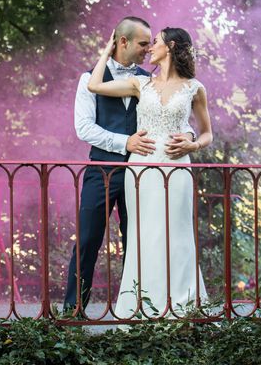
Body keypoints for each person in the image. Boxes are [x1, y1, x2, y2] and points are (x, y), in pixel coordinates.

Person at [63, 17, 197, 313]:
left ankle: (135, 307)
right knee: (87, 239)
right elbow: (83, 128)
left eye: (152, 43)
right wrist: (126, 143)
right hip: (102, 170)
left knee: (137, 241)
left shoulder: (149, 81)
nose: (148, 49)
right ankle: (72, 312)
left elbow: (176, 114)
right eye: (142, 43)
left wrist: (189, 136)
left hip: (144, 171)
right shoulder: (89, 78)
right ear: (121, 42)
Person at [87, 26, 213, 318]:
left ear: (169, 47)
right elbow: (94, 85)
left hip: (177, 168)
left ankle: (182, 307)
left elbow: (207, 134)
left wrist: (193, 145)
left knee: (178, 234)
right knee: (145, 235)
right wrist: (107, 49)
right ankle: (140, 307)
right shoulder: (140, 84)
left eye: (154, 42)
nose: (148, 48)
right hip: (141, 169)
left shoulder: (195, 87)